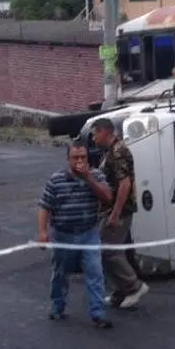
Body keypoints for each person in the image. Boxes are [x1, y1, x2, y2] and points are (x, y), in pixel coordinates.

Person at [37, 139, 114, 329]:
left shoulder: (96, 175)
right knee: (60, 273)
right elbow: (45, 207)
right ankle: (58, 306)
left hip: (88, 233)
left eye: (83, 157)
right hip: (63, 235)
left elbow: (107, 197)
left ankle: (98, 313)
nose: (79, 160)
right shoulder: (56, 180)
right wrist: (42, 231)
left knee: (95, 272)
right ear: (68, 159)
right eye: (75, 157)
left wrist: (89, 178)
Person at [91, 118, 150, 309]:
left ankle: (134, 287)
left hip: (119, 210)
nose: (93, 139)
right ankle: (121, 290)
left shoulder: (119, 152)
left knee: (109, 251)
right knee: (112, 250)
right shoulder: (110, 152)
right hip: (110, 209)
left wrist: (115, 214)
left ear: (104, 132)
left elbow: (125, 183)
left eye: (94, 134)